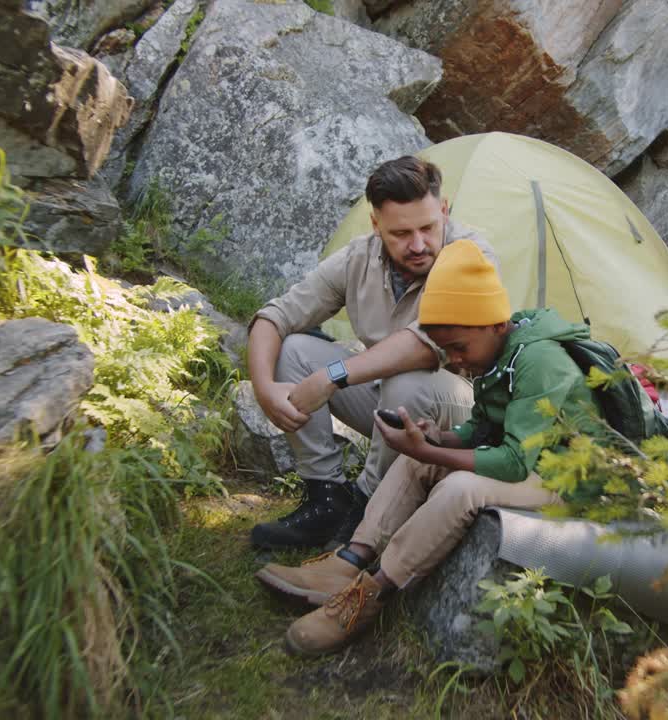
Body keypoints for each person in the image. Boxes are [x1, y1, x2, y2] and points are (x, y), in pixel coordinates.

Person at [254, 239, 607, 656]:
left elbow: (513, 462)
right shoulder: (498, 352)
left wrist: (434, 454)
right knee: (415, 460)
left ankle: (371, 595)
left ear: (495, 324)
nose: (454, 361)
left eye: (459, 348)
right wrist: (434, 439)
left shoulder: (538, 361)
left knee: (461, 488)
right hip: (532, 463)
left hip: (567, 481)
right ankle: (349, 560)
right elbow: (480, 427)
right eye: (447, 349)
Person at [247, 157, 498, 549]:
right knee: (293, 350)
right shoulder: (359, 258)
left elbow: (424, 344)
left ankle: (367, 507)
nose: (418, 245)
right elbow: (276, 317)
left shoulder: (471, 254)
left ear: (444, 210)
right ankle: (326, 498)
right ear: (376, 224)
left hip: (465, 416)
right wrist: (264, 388)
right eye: (400, 233)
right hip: (392, 402)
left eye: (428, 227)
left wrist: (331, 377)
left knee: (407, 379)